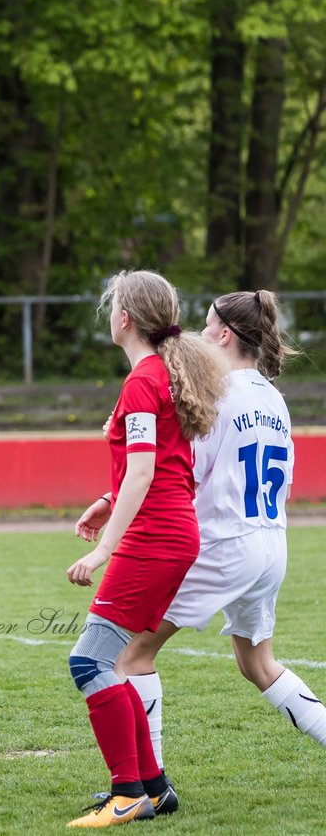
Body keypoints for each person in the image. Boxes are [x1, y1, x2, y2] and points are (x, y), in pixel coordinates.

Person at [110, 290, 324, 787]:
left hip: (223, 544)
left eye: (205, 327)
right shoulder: (274, 398)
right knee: (259, 665)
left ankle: (151, 786)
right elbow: (285, 479)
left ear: (224, 335)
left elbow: (181, 471)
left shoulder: (215, 393)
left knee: (130, 655)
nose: (197, 336)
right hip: (270, 543)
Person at [64, 269, 227, 828]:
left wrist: (104, 548)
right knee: (109, 661)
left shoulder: (142, 380)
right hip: (172, 533)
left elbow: (143, 473)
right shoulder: (162, 374)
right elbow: (150, 470)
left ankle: (127, 792)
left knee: (88, 660)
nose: (108, 315)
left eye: (111, 307)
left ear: (125, 318)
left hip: (154, 539)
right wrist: (109, 501)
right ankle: (153, 788)